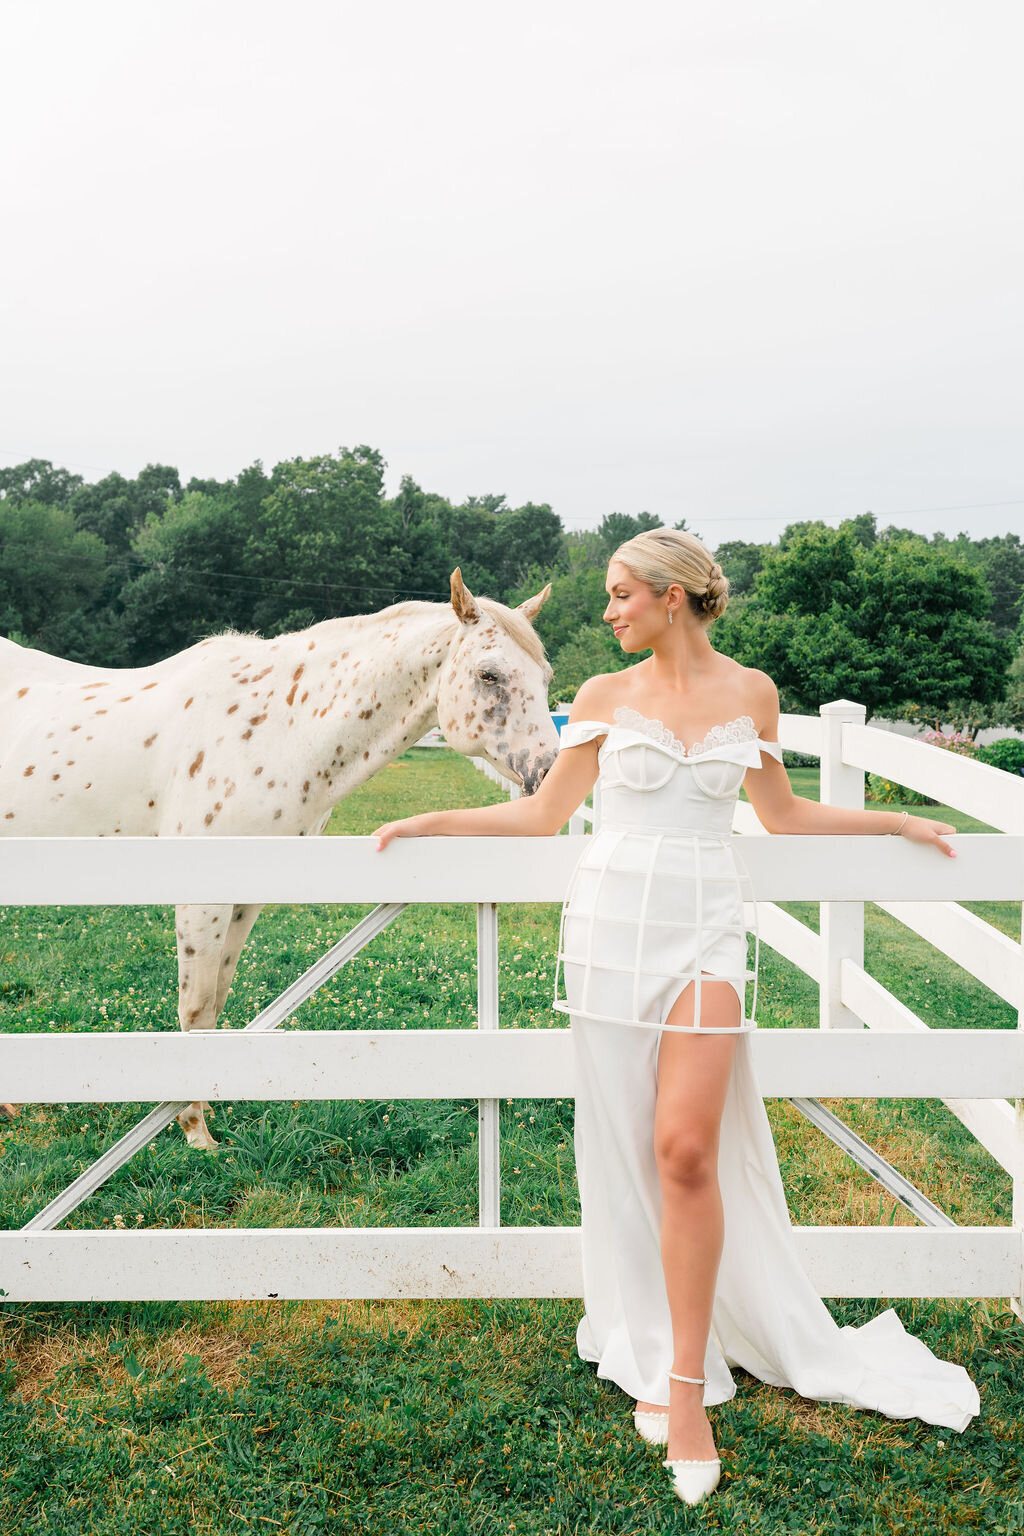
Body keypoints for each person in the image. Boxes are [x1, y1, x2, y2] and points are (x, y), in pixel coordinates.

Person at [373, 527, 980, 1506]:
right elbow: (538, 816)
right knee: (627, 1150)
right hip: (610, 935)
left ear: (672, 595)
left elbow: (781, 816)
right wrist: (423, 820)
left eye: (618, 594)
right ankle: (648, 1336)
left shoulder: (751, 693)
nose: (606, 611)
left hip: (705, 935)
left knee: (688, 1153)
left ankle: (689, 1387)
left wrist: (895, 820)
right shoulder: (607, 701)